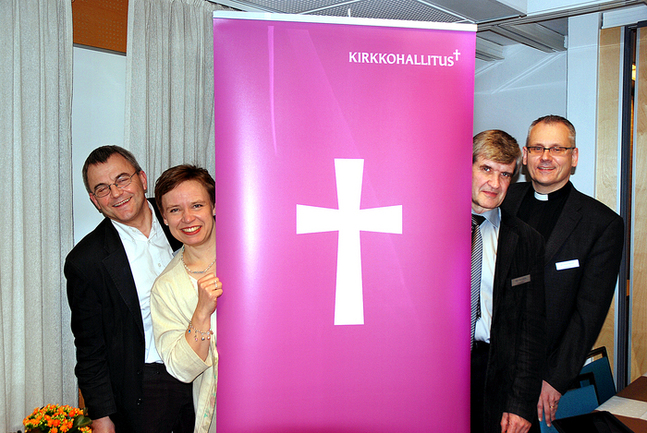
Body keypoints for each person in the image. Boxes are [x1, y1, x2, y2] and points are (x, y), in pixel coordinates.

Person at [502, 115, 624, 428]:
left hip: (542, 373)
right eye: (538, 148)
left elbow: (589, 313)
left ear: (574, 157)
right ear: (525, 155)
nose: (545, 157)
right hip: (489, 364)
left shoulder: (601, 224)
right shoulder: (500, 200)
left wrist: (555, 379)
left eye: (557, 148)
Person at [65, 146, 193, 433]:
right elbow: (90, 349)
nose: (117, 193)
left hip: (206, 371)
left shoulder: (181, 217)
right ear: (94, 201)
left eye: (122, 179)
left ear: (142, 179)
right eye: (103, 189)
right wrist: (101, 417)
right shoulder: (86, 261)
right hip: (147, 388)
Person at [470, 130, 546, 433]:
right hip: (436, 374)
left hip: (495, 377)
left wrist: (520, 404)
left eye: (505, 174)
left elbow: (532, 330)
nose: (495, 184)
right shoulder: (429, 228)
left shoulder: (526, 240)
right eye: (486, 168)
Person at [150, 165, 221, 433]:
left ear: (214, 206)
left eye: (197, 205)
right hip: (224, 410)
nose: (187, 218)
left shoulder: (254, 249)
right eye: (175, 210)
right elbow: (181, 369)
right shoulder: (166, 287)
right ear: (164, 218)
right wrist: (201, 313)